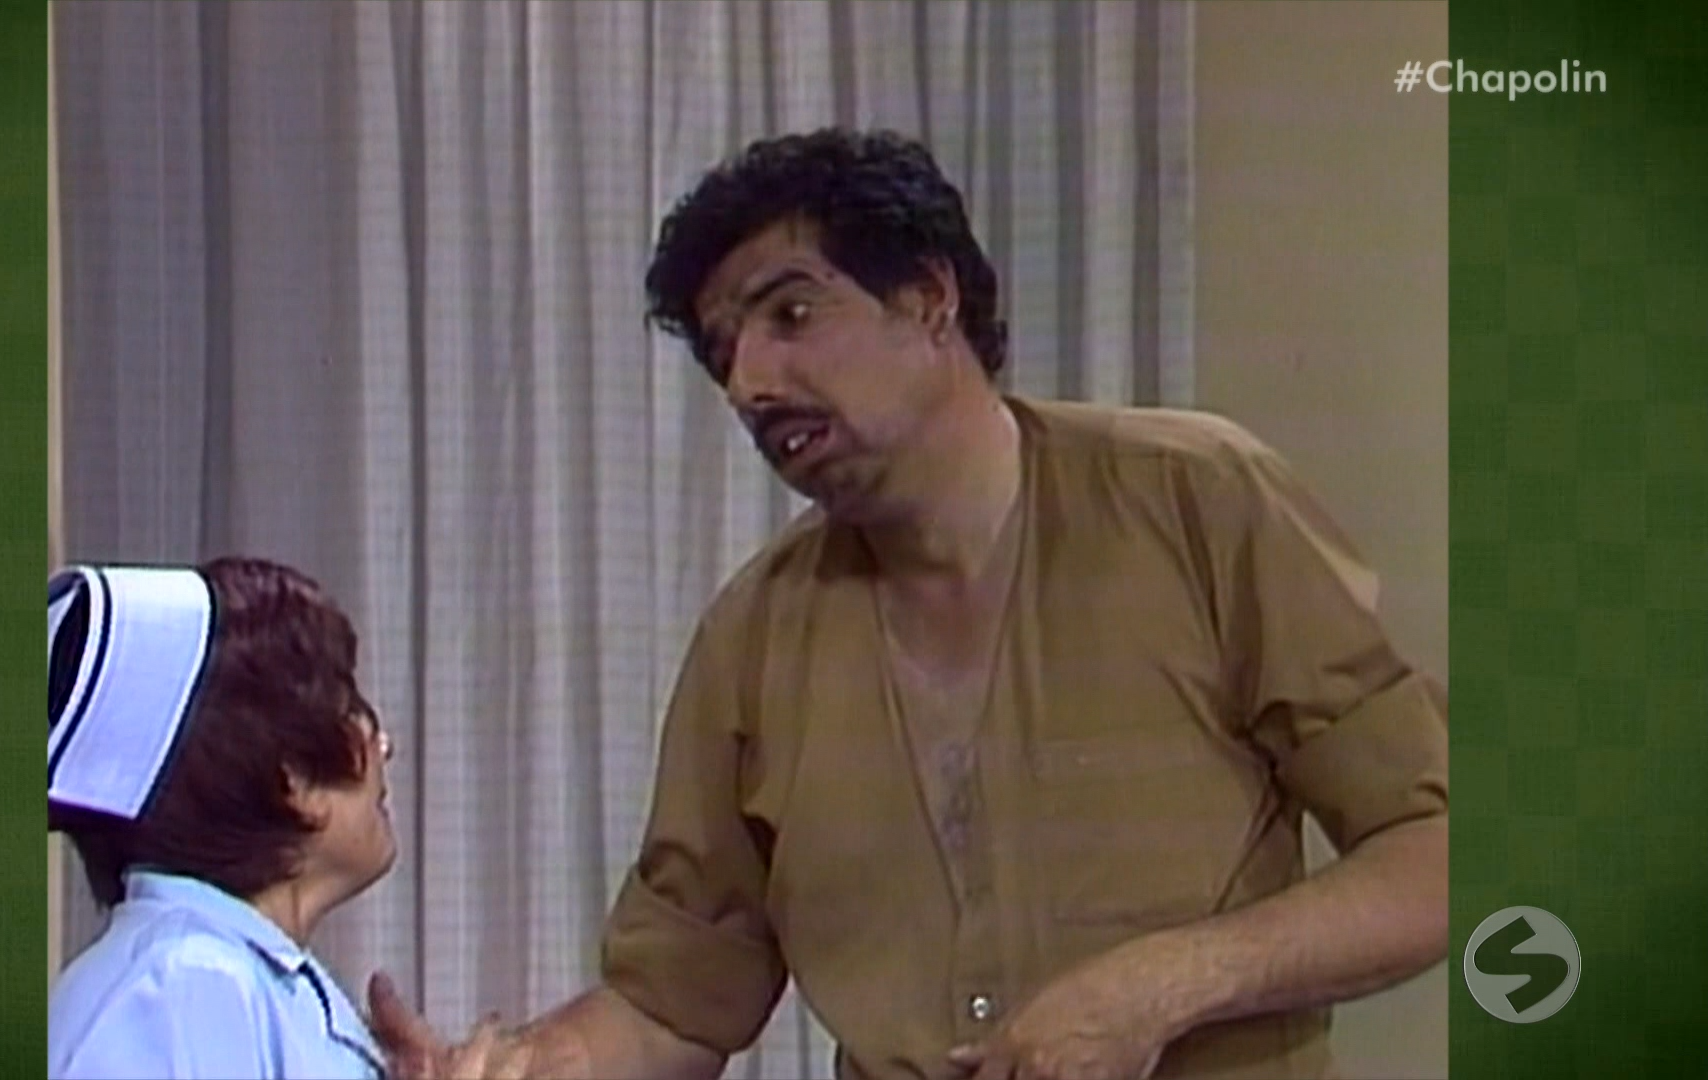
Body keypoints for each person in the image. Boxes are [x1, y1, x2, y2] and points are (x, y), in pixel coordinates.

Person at [374, 128, 1449, 1080]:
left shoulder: (1197, 502)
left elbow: (1436, 852)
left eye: (791, 313)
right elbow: (672, 1004)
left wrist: (1165, 985)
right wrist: (521, 1068)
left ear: (931, 298)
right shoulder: (752, 640)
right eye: (724, 351)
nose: (750, 381)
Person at [47, 556, 530, 1080]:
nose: (384, 746)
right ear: (292, 777)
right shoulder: (181, 986)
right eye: (349, 707)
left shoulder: (240, 978)